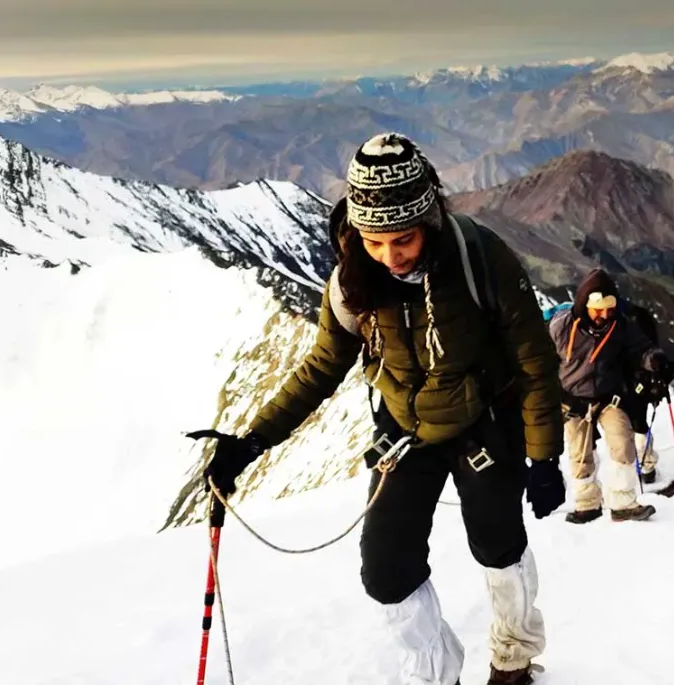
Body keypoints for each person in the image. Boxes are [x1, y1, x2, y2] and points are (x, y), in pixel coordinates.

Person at [195, 133, 566, 685]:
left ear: (430, 221)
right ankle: (437, 675)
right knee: (386, 569)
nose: (389, 257)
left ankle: (513, 659)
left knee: (499, 545)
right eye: (373, 241)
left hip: (484, 422)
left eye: (404, 240)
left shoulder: (481, 259)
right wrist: (251, 442)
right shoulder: (352, 281)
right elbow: (321, 366)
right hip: (403, 431)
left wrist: (543, 457)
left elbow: (533, 361)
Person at [548, 269, 674, 523]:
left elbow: (641, 350)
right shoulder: (561, 327)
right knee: (579, 455)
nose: (604, 315)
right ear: (585, 305)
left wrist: (656, 360)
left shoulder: (621, 325)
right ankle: (587, 505)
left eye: (609, 309)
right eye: (598, 310)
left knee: (623, 446)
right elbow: (542, 360)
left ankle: (622, 503)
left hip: (608, 398)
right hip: (572, 401)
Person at [619, 299, 666, 483]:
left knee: (634, 425)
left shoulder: (629, 318)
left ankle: (641, 465)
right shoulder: (637, 315)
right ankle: (646, 466)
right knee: (636, 424)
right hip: (636, 381)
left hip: (628, 382)